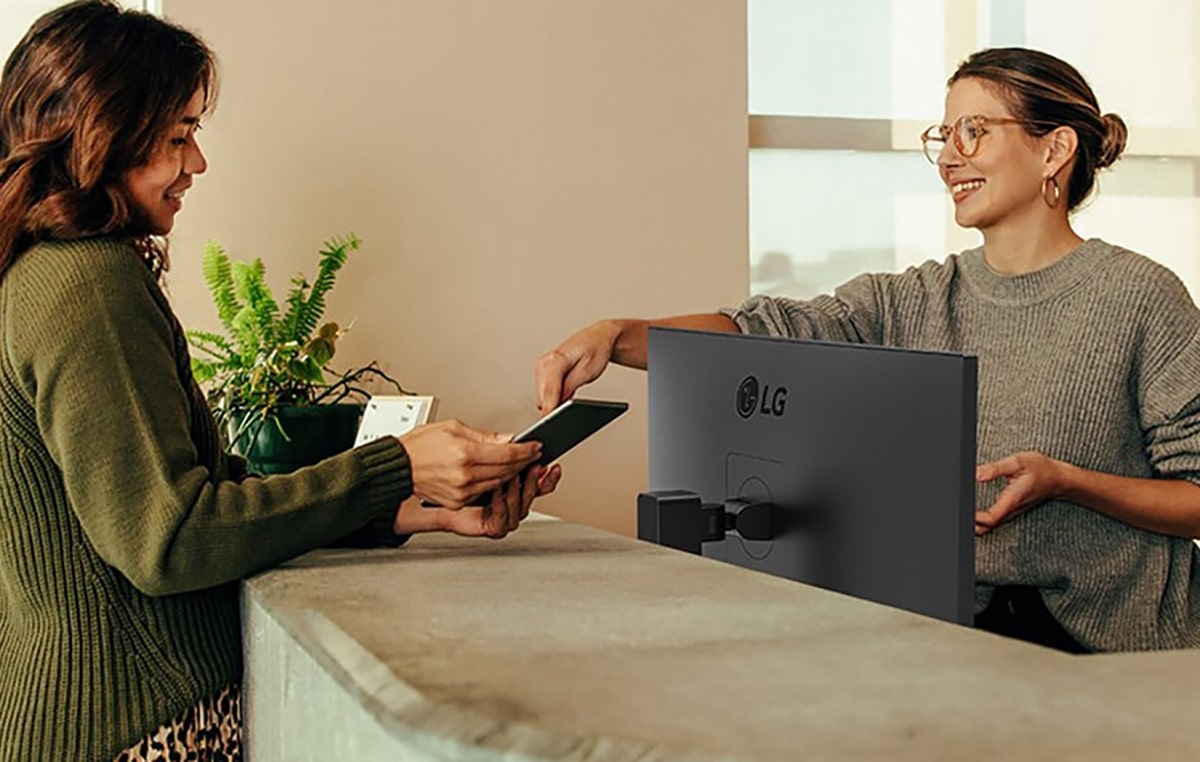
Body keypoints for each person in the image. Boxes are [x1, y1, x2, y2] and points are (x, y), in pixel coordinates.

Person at [0, 2, 561, 759]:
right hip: (138, 728)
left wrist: (410, 509)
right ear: (106, 136)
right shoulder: (88, 282)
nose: (196, 162)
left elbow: (206, 492)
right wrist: (397, 464)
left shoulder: (41, 274)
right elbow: (170, 538)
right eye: (178, 136)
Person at [537, 46, 1200, 655]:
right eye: (943, 137)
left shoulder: (1141, 296)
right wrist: (617, 334)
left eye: (975, 131)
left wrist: (1070, 483)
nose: (949, 158)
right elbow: (767, 330)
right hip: (958, 638)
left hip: (1117, 652)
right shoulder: (915, 298)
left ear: (1055, 148)